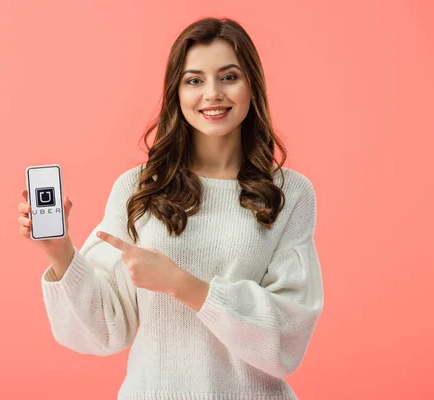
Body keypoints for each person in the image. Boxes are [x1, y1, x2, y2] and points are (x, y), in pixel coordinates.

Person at [17, 17, 324, 400]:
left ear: (252, 87)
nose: (212, 94)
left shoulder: (289, 193)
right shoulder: (139, 186)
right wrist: (59, 250)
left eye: (229, 77)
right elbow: (104, 331)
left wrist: (182, 285)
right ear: (176, 92)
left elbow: (285, 339)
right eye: (194, 80)